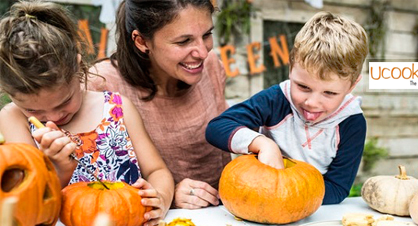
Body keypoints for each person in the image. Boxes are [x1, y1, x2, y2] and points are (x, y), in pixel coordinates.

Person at [0, 1, 174, 224]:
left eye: (65, 101)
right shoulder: (14, 119)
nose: (53, 117)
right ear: (9, 93)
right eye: (33, 110)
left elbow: (158, 170)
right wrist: (58, 167)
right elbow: (27, 201)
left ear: (78, 67)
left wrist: (160, 196)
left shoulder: (117, 109)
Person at [206, 11, 369, 205]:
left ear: (351, 86)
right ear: (291, 68)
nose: (312, 102)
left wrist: (286, 196)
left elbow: (337, 188)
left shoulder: (352, 123)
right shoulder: (276, 99)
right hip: (258, 197)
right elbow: (217, 127)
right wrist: (264, 144)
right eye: (303, 87)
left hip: (309, 211)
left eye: (329, 93)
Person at [87, 0, 231, 209]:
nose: (202, 52)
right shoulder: (101, 85)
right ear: (142, 41)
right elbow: (89, 184)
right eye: (183, 41)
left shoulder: (211, 65)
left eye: (207, 35)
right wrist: (167, 195)